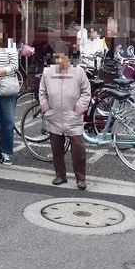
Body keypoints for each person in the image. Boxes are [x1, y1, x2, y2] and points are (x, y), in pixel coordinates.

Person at [38, 52, 92, 189]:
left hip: (73, 116)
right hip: (54, 116)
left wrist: (79, 109)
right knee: (56, 148)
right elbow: (42, 92)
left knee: (78, 149)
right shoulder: (47, 72)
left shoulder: (79, 72)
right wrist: (46, 109)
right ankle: (60, 175)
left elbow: (86, 91)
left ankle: (81, 178)